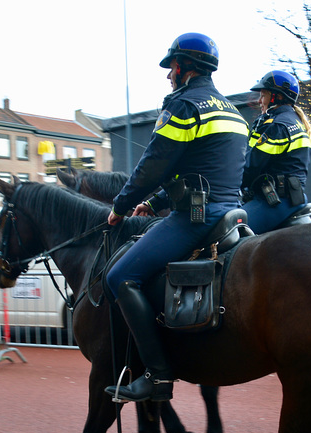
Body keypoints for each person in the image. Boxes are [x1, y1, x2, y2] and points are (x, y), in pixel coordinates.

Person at [104, 32, 249, 403]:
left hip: (196, 217)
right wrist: (153, 205)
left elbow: (153, 165)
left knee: (120, 276)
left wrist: (121, 206)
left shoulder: (185, 106)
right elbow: (204, 169)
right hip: (234, 213)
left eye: (171, 67)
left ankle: (157, 375)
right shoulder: (233, 111)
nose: (169, 75)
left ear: (183, 67)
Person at [240, 70, 311, 232]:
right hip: (292, 197)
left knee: (228, 227)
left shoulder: (276, 126)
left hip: (275, 201)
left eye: (263, 95)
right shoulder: (296, 122)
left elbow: (251, 168)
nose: (260, 101)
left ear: (277, 97)